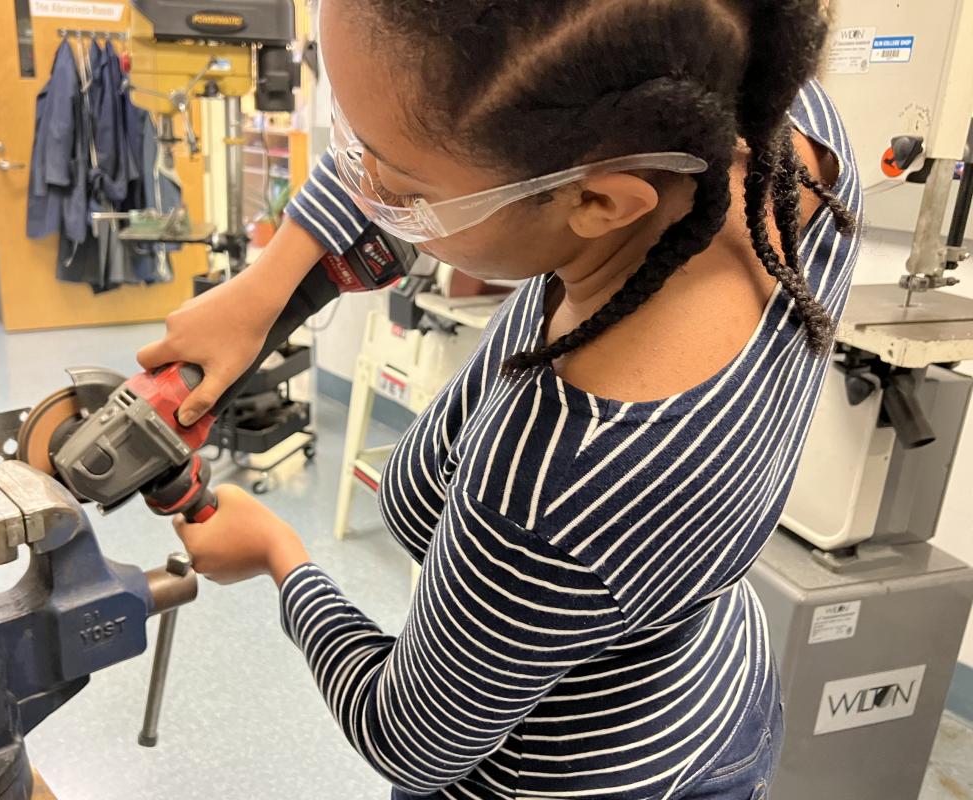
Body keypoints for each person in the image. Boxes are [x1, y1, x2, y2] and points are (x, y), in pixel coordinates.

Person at [138, 1, 861, 797]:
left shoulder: (556, 483)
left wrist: (281, 555)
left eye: (396, 184)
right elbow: (421, 113)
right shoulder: (774, 123)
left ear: (598, 203)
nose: (359, 183)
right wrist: (265, 287)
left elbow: (410, 742)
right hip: (712, 691)